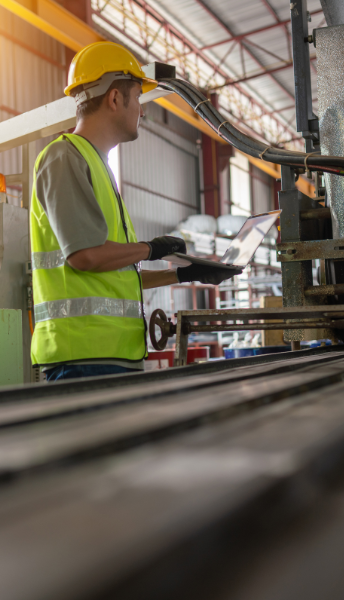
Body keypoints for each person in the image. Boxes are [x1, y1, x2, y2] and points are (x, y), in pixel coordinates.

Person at [30, 41, 241, 381]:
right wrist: (152, 249)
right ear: (115, 98)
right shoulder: (65, 157)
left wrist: (186, 274)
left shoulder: (98, 167)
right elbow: (85, 257)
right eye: (138, 99)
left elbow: (114, 278)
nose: (142, 111)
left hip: (111, 354)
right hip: (83, 357)